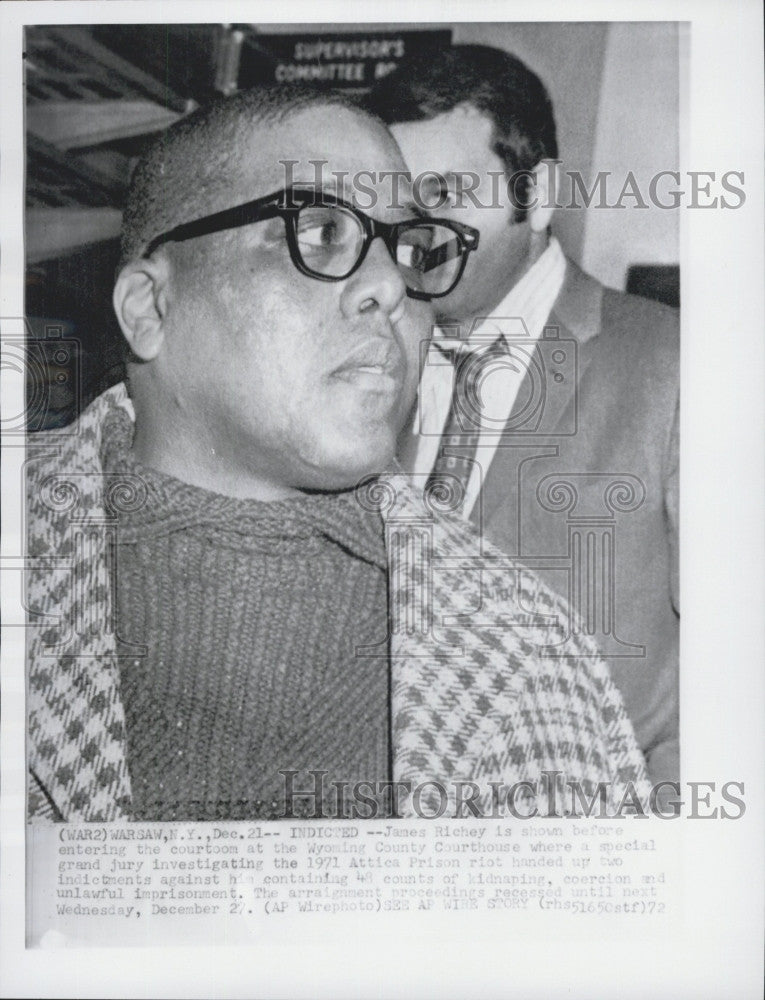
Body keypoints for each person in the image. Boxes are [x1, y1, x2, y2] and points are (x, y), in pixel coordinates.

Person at [26, 84, 650, 824]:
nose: (393, 287)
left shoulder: (532, 654)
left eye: (411, 250)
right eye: (319, 232)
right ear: (151, 308)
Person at [369, 45, 679, 788]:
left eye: (443, 194)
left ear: (535, 194)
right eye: (395, 208)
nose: (415, 238)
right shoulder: (362, 372)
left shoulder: (675, 364)